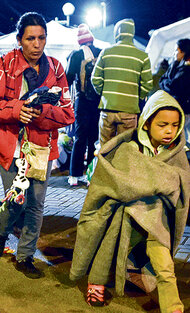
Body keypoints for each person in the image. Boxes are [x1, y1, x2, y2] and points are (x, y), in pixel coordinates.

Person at [70, 90, 189, 312]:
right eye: (162, 125)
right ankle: (96, 283)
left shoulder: (177, 154)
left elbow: (178, 184)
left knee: (164, 265)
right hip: (123, 212)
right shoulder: (128, 148)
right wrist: (149, 184)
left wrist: (151, 184)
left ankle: (173, 307)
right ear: (146, 123)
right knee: (107, 245)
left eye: (174, 125)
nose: (169, 131)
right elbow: (115, 181)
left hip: (156, 219)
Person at [0, 12, 74, 278]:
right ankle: (1, 234)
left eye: (42, 38)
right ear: (19, 40)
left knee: (36, 205)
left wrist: (41, 112)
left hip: (44, 147)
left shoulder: (56, 68)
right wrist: (16, 109)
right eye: (30, 38)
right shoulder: (2, 65)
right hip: (11, 146)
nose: (37, 44)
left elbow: (68, 113)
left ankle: (25, 256)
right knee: (15, 201)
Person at [91, 18, 153, 147]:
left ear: (116, 33)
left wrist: (106, 94)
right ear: (132, 33)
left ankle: (104, 167)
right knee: (125, 150)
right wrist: (136, 97)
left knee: (105, 149)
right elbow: (148, 84)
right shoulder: (143, 56)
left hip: (107, 109)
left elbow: (95, 79)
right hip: (129, 111)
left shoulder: (106, 52)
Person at [65, 24, 101, 186]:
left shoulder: (77, 54)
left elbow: (68, 78)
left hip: (82, 102)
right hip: (98, 102)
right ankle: (90, 175)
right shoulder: (100, 52)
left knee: (80, 137)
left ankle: (74, 175)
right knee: (94, 138)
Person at [159, 38, 190, 148]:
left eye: (176, 50)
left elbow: (171, 86)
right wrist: (175, 63)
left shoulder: (186, 69)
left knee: (180, 139)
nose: (174, 53)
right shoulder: (180, 67)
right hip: (179, 108)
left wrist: (175, 63)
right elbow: (163, 80)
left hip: (184, 110)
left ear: (183, 52)